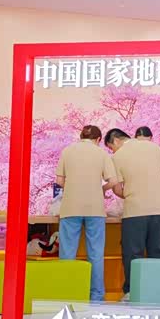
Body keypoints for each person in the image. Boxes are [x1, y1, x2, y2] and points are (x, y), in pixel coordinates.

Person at [105, 128, 160, 301]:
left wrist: (132, 190)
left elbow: (117, 188)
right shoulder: (154, 147)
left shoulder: (117, 156)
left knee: (133, 254)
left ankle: (132, 291)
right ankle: (158, 292)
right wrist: (154, 184)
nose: (112, 151)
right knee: (158, 253)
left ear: (115, 141)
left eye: (111, 147)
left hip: (135, 211)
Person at [56, 125, 117, 301]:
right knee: (96, 254)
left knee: (67, 255)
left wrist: (72, 188)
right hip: (95, 208)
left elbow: (59, 180)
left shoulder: (67, 151)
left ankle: (67, 294)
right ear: (98, 140)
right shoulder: (101, 153)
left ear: (81, 136)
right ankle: (96, 296)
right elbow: (113, 181)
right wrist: (101, 189)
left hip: (70, 207)